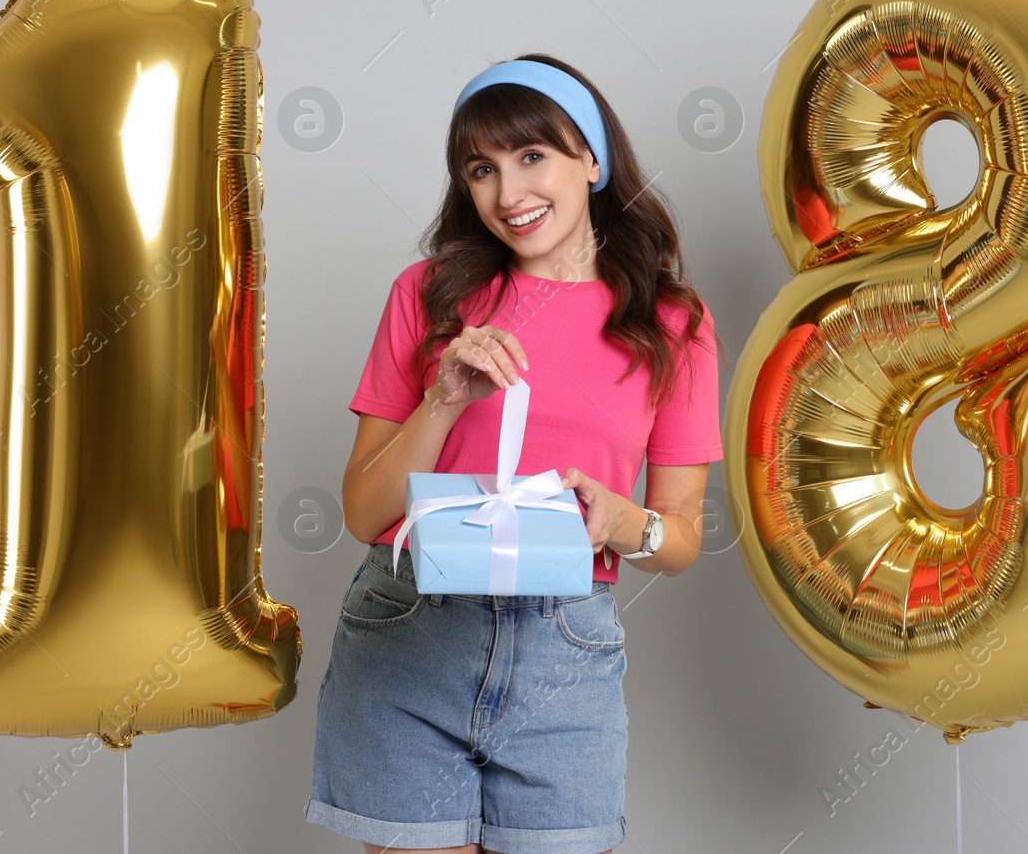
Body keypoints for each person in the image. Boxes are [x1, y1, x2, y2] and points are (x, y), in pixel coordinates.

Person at [304, 53, 724, 854]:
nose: (508, 192)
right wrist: (444, 398)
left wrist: (622, 518)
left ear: (592, 161)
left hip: (564, 654)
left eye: (534, 156)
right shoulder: (427, 297)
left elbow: (679, 538)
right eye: (481, 168)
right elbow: (363, 510)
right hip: (410, 634)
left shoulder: (673, 323)